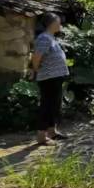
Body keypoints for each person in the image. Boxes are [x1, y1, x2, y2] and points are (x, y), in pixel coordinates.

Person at [31, 12, 70, 145]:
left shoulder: (50, 37)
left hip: (55, 77)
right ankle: (42, 136)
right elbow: (36, 57)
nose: (60, 24)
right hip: (48, 78)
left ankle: (52, 132)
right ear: (52, 24)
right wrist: (36, 70)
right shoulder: (44, 38)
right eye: (58, 22)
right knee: (47, 105)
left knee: (54, 105)